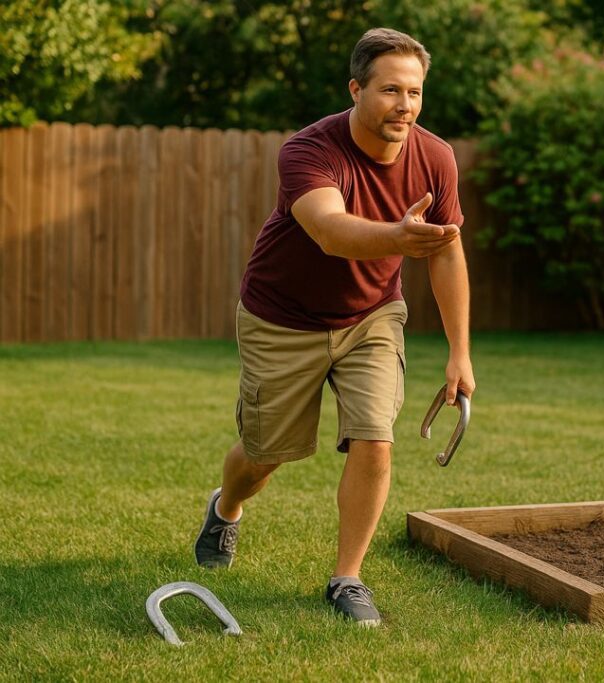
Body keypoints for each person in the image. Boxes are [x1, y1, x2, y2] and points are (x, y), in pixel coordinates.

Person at [193, 27, 475, 628]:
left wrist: (460, 352)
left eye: (416, 93)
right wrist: (399, 236)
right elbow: (328, 229)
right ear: (356, 89)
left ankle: (347, 578)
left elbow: (448, 253)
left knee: (376, 434)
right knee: (264, 456)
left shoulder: (436, 157)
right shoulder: (308, 150)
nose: (405, 106)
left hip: (371, 315)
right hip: (282, 319)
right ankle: (226, 508)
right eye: (391, 90)